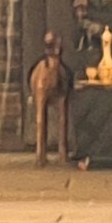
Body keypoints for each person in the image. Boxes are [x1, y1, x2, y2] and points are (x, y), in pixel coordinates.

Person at [28, 24, 72, 165]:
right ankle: (40, 153)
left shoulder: (60, 64)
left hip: (58, 76)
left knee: (62, 116)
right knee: (41, 117)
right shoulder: (42, 63)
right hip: (44, 75)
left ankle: (62, 152)